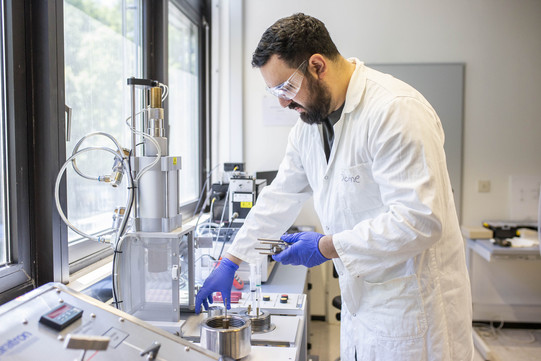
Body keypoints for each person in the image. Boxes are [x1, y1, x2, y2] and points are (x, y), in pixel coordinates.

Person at [195, 13, 473, 361]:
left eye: (286, 88)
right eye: (274, 92)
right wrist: (232, 259)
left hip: (414, 309)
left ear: (317, 65)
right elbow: (280, 196)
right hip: (365, 304)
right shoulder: (309, 128)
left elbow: (419, 220)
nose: (282, 102)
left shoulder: (395, 111)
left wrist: (328, 246)